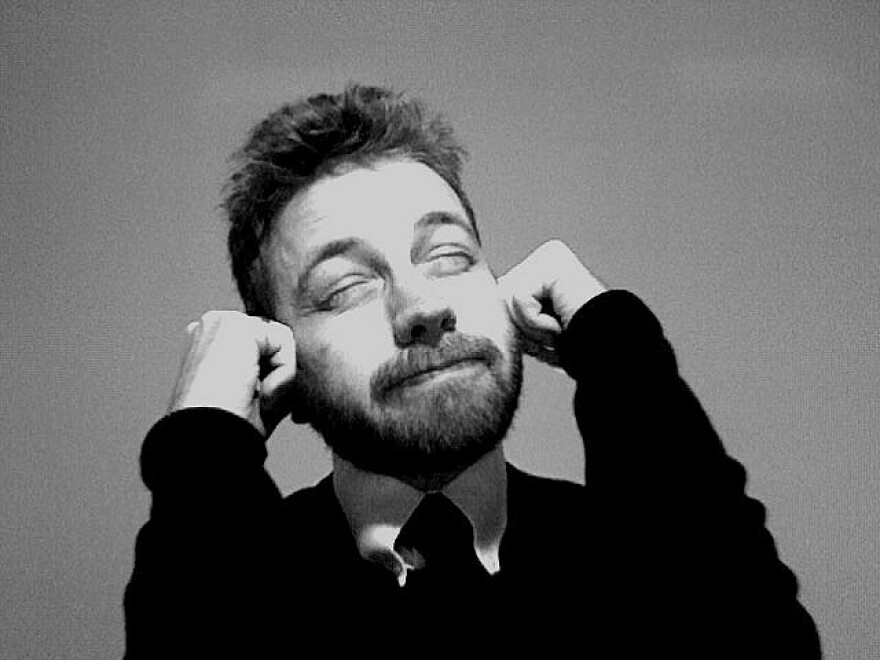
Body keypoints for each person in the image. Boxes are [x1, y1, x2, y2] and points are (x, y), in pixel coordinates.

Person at [124, 84, 821, 657]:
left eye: (450, 257)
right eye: (344, 288)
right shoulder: (239, 582)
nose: (424, 306)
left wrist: (618, 347)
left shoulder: (645, 554)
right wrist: (201, 446)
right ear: (283, 367)